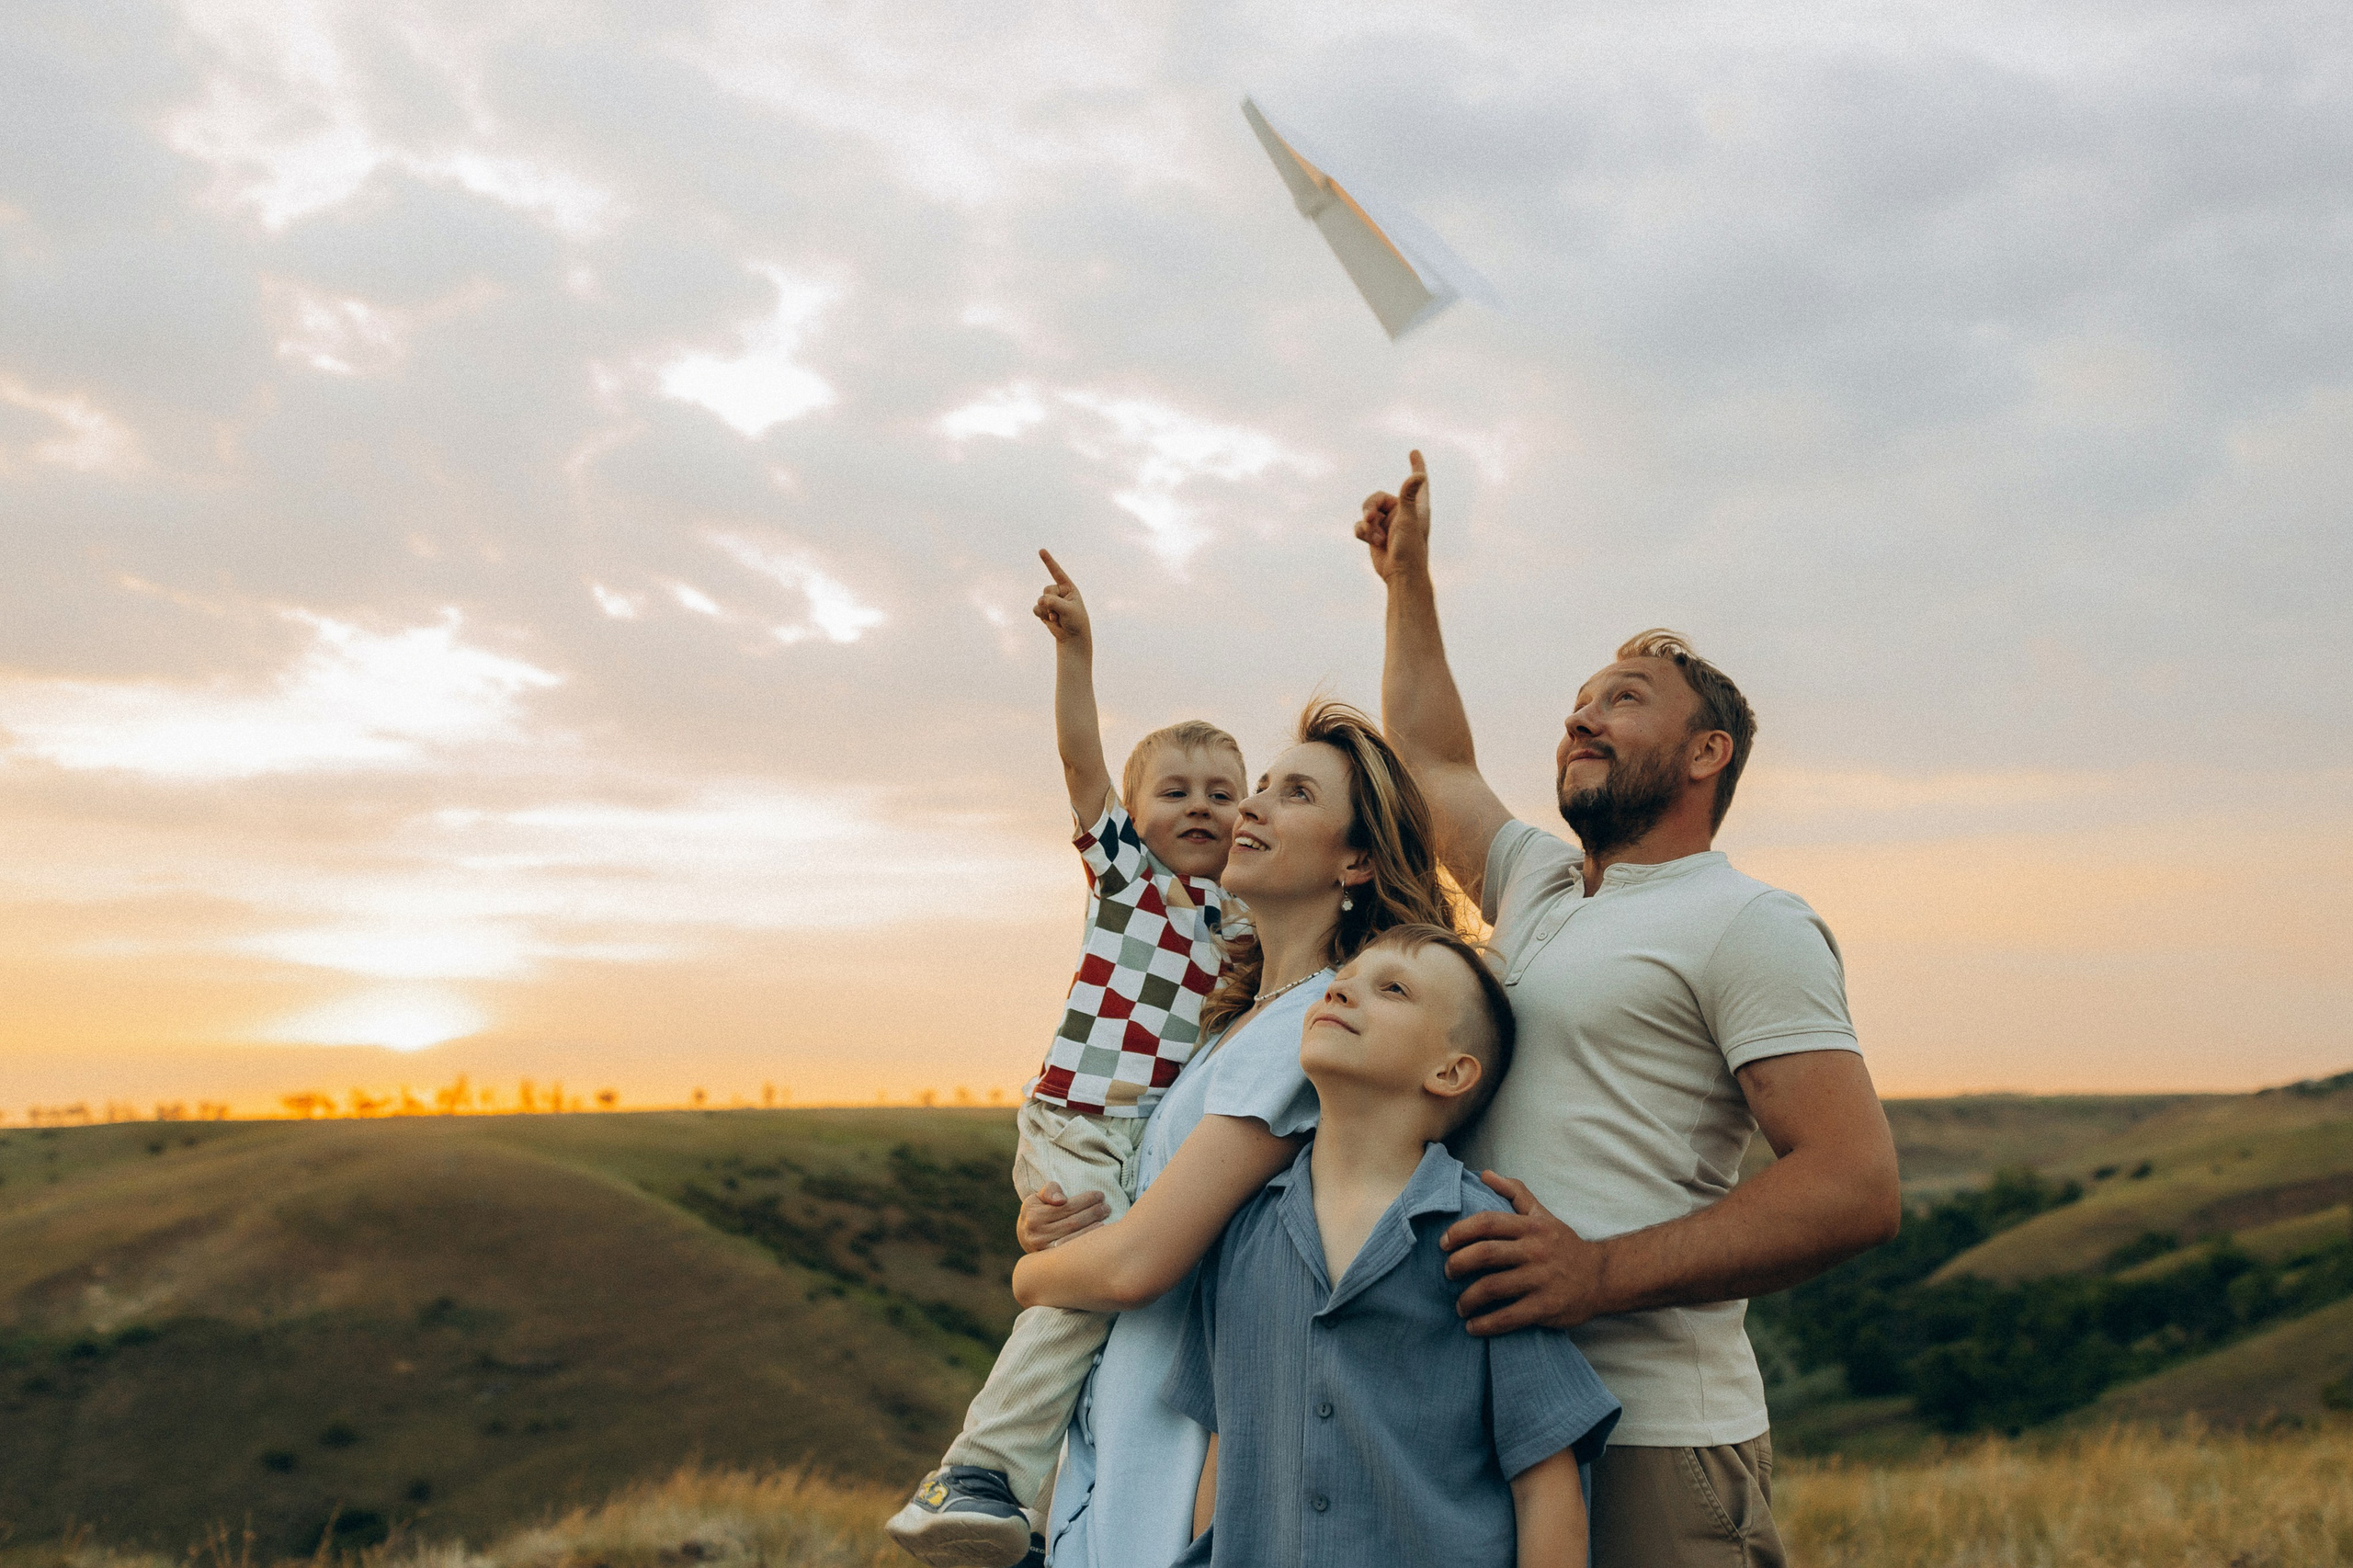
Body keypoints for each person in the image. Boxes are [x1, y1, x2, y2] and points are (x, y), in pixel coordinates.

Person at [1354, 451, 1903, 1567]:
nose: (1581, 719)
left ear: (1708, 752)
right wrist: (1408, 581)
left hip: (1652, 1432)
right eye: (1578, 705)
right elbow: (1428, 755)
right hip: (1495, 1424)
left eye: (1623, 699)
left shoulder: (1747, 920)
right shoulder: (1539, 883)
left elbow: (1853, 1183)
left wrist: (1597, 1273)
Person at [1013, 701, 1465, 1568]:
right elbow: (1136, 1223)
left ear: (1357, 860)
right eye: (1259, 786)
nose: (1250, 807)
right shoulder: (1230, 1025)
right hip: (1112, 1454)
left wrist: (1029, 1276)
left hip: (1174, 1477)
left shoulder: (1318, 1027)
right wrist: (1060, 1225)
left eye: (1295, 794)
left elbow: (1138, 1265)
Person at [889, 551, 1247, 1567]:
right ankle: (972, 1472)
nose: (1200, 807)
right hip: (1084, 1112)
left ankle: (1042, 1519)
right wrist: (1077, 651)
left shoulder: (1244, 920)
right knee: (1089, 1292)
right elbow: (1081, 760)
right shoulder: (1131, 879)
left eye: (1224, 793)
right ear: (1134, 813)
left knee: (1117, 1321)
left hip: (1147, 1134)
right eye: (1174, 791)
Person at [1165, 924, 1620, 1568]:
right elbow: (1225, 1453)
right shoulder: (1241, 1233)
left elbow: (1545, 1486)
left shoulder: (1487, 1241)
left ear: (1450, 1071)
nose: (1339, 991)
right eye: (1344, 979)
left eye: (1393, 989)